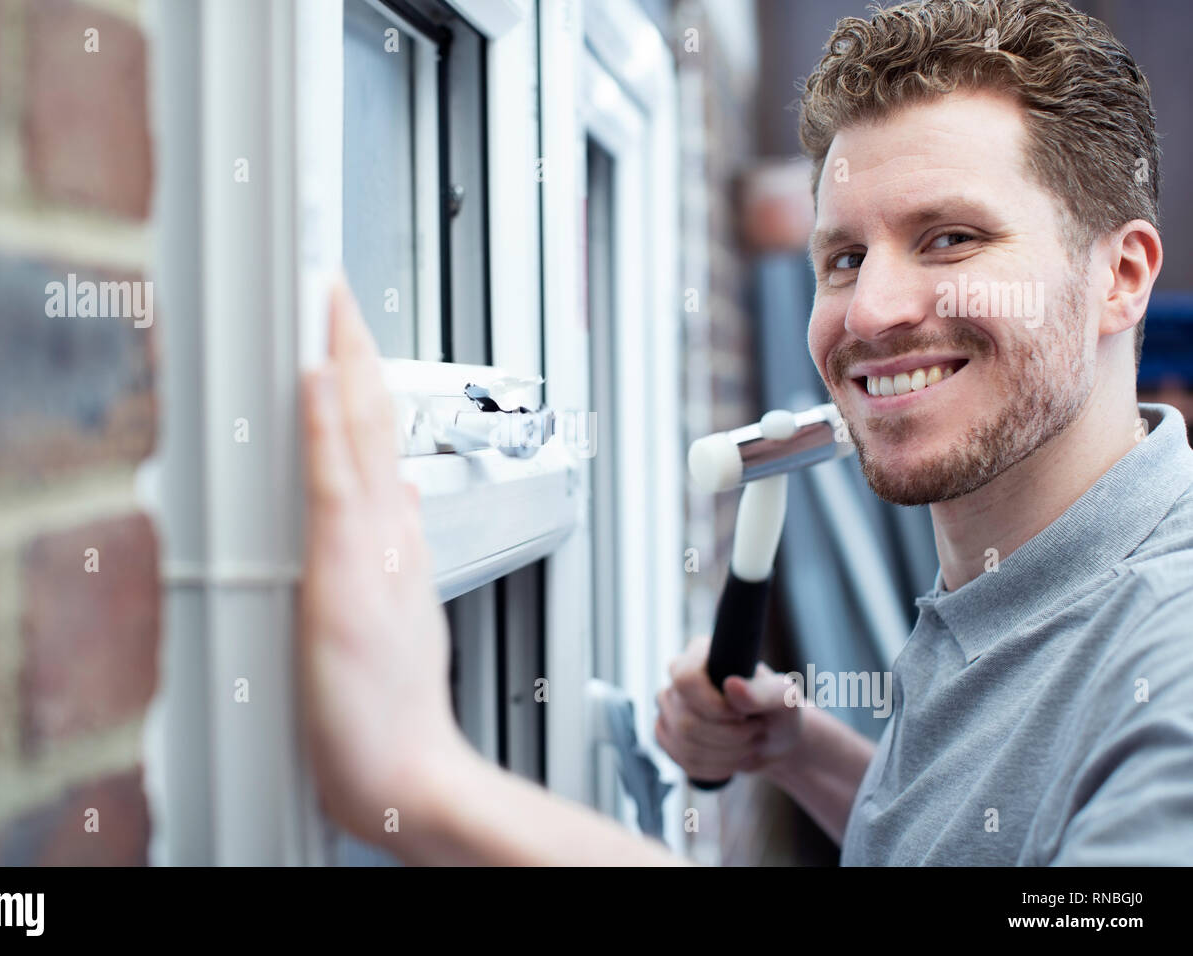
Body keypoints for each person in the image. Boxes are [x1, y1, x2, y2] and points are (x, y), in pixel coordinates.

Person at [296, 0, 1193, 865]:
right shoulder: (1016, 577)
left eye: (951, 239)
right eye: (844, 258)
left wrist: (423, 782)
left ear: (1120, 275)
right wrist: (801, 751)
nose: (869, 313)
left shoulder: (1169, 664)